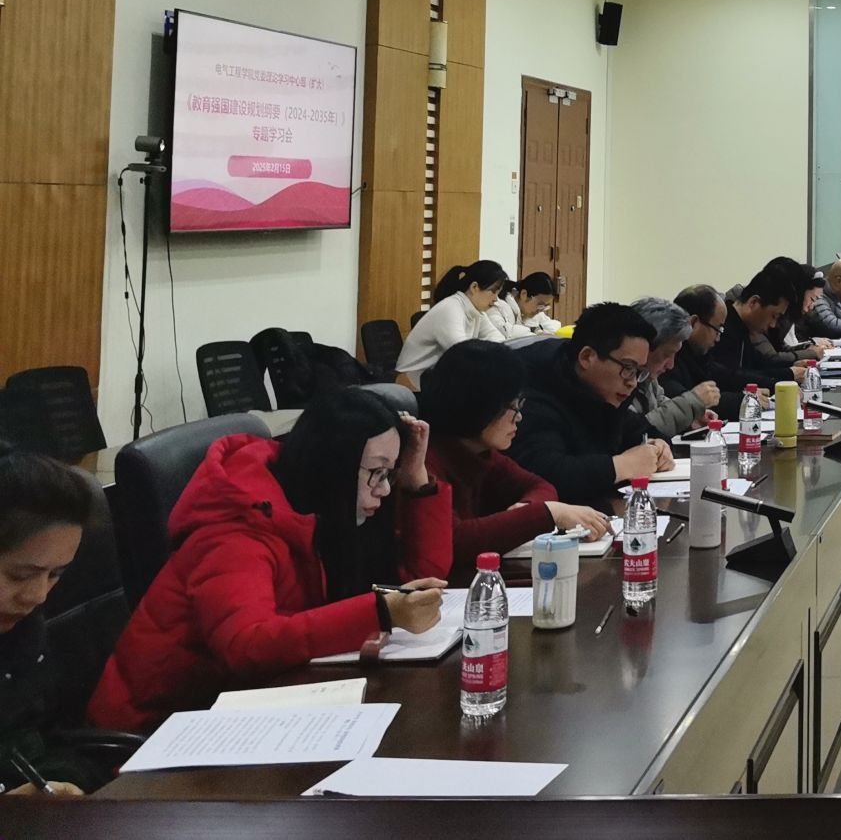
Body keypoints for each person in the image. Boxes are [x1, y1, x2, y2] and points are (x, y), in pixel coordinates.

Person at [90, 391, 453, 731]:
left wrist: (417, 480)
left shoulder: (327, 511)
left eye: (389, 474)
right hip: (159, 727)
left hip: (247, 702)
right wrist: (380, 612)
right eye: (376, 472)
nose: (385, 488)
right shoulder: (236, 528)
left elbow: (421, 580)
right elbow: (246, 644)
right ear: (333, 466)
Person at [419, 340, 611, 574]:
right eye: (512, 406)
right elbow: (456, 539)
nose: (519, 417)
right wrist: (549, 514)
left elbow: (540, 486)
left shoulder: (481, 452)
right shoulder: (425, 460)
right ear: (479, 406)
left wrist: (527, 510)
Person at [0, 446, 108, 795]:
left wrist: (67, 782)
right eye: (19, 576)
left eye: (56, 575)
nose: (38, 595)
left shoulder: (22, 634)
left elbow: (54, 738)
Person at [505, 302, 675, 509]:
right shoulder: (534, 390)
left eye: (639, 371)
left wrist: (659, 445)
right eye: (628, 367)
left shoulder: (606, 389)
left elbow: (637, 429)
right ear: (587, 357)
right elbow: (545, 473)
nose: (632, 382)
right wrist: (621, 466)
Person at [398, 260, 509, 378]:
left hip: (439, 376)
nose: (496, 299)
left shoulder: (477, 311)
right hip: (411, 379)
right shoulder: (450, 308)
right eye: (493, 291)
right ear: (474, 287)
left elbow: (498, 340)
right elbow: (461, 352)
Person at [627, 297, 716, 436]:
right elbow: (636, 431)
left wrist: (690, 418)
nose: (671, 365)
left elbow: (659, 404)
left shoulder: (647, 375)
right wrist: (692, 403)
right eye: (667, 354)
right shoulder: (619, 380)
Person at [666, 284, 756, 419]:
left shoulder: (698, 357)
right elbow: (688, 404)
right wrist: (744, 400)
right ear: (693, 323)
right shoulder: (668, 360)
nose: (718, 339)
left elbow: (729, 377)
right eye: (718, 329)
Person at [712, 269, 806, 391]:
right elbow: (733, 377)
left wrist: (791, 367)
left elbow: (759, 364)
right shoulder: (724, 328)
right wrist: (787, 375)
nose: (773, 325)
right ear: (754, 303)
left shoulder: (742, 326)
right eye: (774, 316)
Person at [486, 271, 562, 340]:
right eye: (540, 305)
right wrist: (535, 333)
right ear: (524, 294)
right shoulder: (498, 307)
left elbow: (554, 326)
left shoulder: (533, 311)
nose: (541, 310)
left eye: (546, 306)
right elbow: (506, 335)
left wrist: (538, 330)